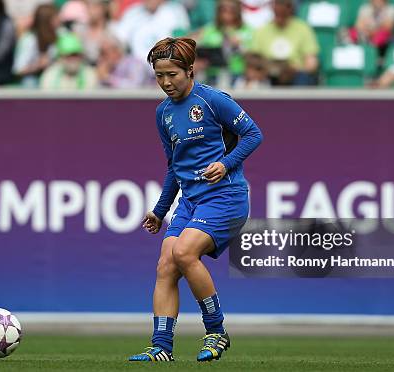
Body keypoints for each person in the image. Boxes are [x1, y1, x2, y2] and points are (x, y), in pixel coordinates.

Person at [128, 37, 263, 363]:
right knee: (166, 264)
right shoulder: (163, 113)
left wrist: (226, 163)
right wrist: (160, 212)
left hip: (226, 196)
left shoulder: (214, 100)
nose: (165, 82)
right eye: (159, 75)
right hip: (191, 202)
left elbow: (254, 134)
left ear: (190, 70)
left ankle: (216, 331)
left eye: (172, 74)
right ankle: (161, 346)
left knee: (185, 251)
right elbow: (174, 166)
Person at [249, 0, 319, 85]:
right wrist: (267, 68)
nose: (280, 9)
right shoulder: (262, 30)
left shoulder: (303, 29)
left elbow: (312, 63)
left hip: (296, 75)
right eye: (277, 6)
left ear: (290, 9)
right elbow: (253, 59)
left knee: (303, 78)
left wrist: (295, 69)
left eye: (283, 7)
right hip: (268, 75)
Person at [114, 0, 190, 60]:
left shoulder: (175, 11)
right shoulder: (132, 13)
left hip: (168, 63)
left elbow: (183, 40)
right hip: (138, 66)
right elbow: (119, 41)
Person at [13, 3, 59, 88]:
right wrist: (38, 65)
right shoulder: (29, 40)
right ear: (46, 21)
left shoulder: (61, 34)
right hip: (33, 80)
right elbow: (19, 69)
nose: (58, 20)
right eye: (55, 18)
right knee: (30, 82)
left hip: (55, 78)